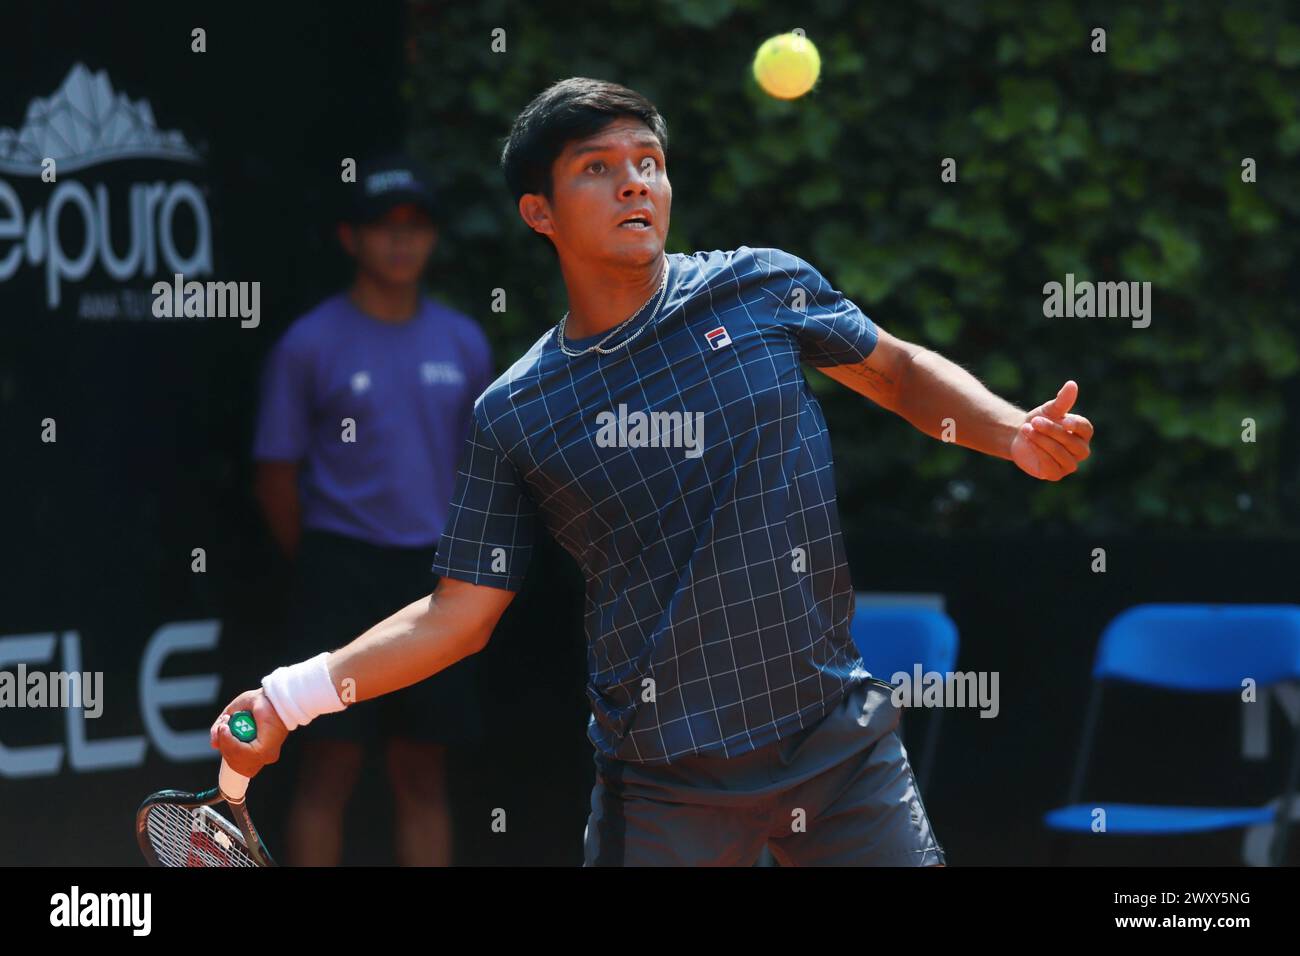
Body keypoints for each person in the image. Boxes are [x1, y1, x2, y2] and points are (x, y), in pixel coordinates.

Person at [217, 79, 1093, 866]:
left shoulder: (760, 288)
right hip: (667, 783)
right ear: (540, 212)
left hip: (839, 747)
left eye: (650, 162)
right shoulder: (515, 412)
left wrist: (1011, 431)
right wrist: (288, 698)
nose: (635, 181)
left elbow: (897, 373)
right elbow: (457, 616)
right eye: (598, 167)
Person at [249, 153, 492, 866]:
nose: (401, 241)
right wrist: (325, 562)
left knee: (423, 769)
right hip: (339, 574)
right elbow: (275, 474)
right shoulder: (309, 344)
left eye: (416, 227)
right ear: (350, 239)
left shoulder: (464, 341)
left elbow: (482, 471)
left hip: (436, 582)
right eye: (383, 227)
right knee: (329, 766)